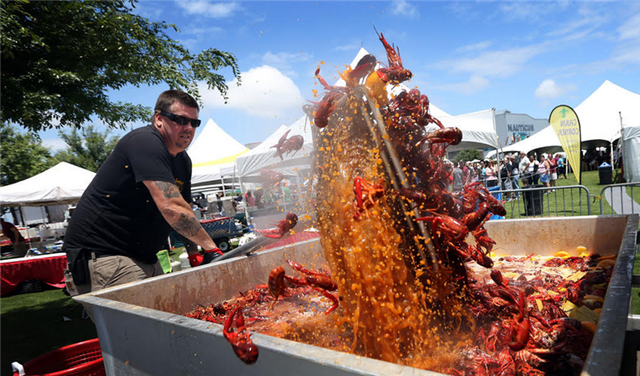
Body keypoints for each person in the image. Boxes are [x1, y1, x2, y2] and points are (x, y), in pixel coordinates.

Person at [62, 90, 222, 296]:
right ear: (159, 118)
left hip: (144, 255)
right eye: (181, 120)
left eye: (194, 123)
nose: (188, 128)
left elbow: (184, 209)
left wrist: (193, 252)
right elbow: (171, 206)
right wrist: (212, 249)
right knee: (143, 325)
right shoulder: (145, 142)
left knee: (166, 319)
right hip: (106, 255)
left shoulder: (182, 161)